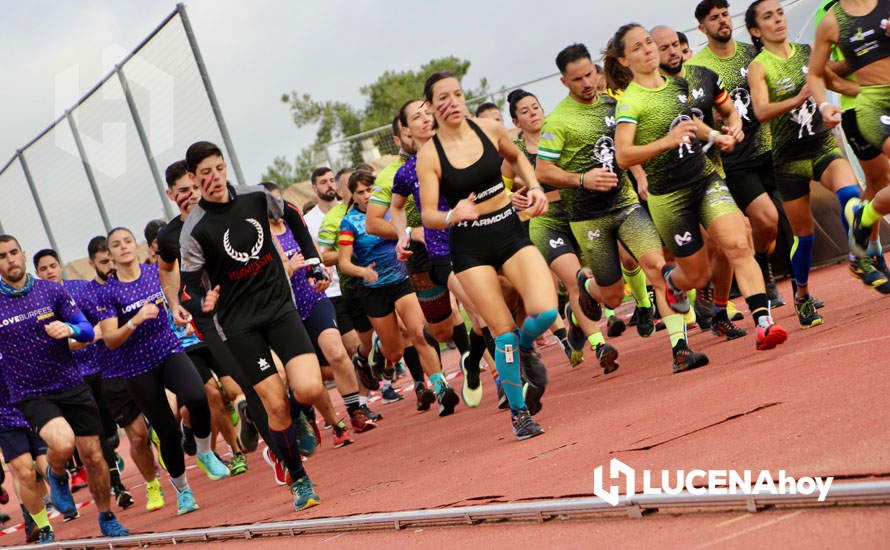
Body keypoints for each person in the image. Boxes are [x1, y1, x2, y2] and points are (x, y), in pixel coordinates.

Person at [607, 23, 788, 351]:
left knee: (737, 244)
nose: (648, 50)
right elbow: (622, 155)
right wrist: (666, 142)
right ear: (623, 60)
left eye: (649, 43)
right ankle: (672, 281)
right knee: (697, 275)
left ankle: (763, 322)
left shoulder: (677, 84)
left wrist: (720, 135)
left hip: (705, 179)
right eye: (638, 47)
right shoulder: (630, 102)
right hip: (669, 197)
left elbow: (693, 124)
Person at [537, 43, 708, 372]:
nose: (586, 83)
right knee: (613, 297)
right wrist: (582, 179)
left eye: (590, 74)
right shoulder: (557, 122)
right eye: (577, 79)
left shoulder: (616, 106)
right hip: (588, 217)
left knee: (657, 268)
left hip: (626, 204)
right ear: (564, 82)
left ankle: (680, 349)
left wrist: (641, 175)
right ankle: (586, 287)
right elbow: (543, 172)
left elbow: (628, 150)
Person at [179, 141, 323, 511]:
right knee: (275, 406)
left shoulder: (256, 197)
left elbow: (293, 216)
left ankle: (298, 416)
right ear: (194, 179)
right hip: (239, 324)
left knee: (307, 390)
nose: (213, 178)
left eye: (218, 168)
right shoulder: (194, 230)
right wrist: (202, 303)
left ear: (225, 167)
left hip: (279, 308)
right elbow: (188, 288)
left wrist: (313, 260)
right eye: (204, 173)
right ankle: (300, 480)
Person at [417, 71, 556, 440]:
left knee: (546, 311)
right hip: (470, 245)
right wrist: (451, 215)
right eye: (441, 99)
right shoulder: (430, 155)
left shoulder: (488, 129)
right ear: (431, 108)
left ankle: (527, 349)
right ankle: (520, 412)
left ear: (464, 98)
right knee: (502, 333)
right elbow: (428, 213)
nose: (451, 103)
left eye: (456, 95)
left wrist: (536, 187)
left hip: (508, 229)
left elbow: (518, 157)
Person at [746, 0, 889, 328]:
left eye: (780, 13)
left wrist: (865, 92)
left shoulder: (805, 51)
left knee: (851, 194)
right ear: (756, 30)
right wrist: (796, 100)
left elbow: (832, 83)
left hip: (823, 147)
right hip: (789, 158)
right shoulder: (760, 66)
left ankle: (863, 257)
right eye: (768, 17)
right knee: (804, 237)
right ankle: (803, 294)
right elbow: (761, 111)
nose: (779, 20)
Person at [0, 234, 129, 538]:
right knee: (62, 442)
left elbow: (85, 330)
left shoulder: (49, 291)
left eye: (14, 252)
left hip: (70, 382)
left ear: (23, 253)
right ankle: (56, 474)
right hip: (31, 391)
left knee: (95, 456)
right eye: (3, 255)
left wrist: (68, 328)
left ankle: (106, 516)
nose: (10, 259)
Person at [98, 227, 231, 515]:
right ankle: (183, 490)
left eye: (127, 242)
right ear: (110, 255)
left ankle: (205, 451)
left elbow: (172, 286)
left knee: (197, 395)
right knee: (166, 431)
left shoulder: (151, 273)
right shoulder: (108, 292)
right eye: (116, 245)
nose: (123, 248)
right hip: (136, 368)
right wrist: (135, 320)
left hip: (168, 350)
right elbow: (110, 339)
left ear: (137, 246)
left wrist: (175, 308)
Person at [652, 24, 753, 340]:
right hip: (674, 185)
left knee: (730, 244)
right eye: (664, 47)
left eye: (675, 45)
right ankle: (688, 286)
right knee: (705, 258)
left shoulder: (703, 76)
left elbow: (728, 110)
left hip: (712, 173)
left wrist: (734, 125)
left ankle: (720, 310)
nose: (673, 52)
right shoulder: (650, 91)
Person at [155, 162, 257, 470]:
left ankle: (247, 416)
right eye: (184, 190)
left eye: (195, 188)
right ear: (172, 194)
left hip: (224, 317)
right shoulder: (169, 235)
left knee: (234, 389)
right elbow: (166, 269)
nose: (192, 195)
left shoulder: (219, 218)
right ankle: (236, 452)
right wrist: (175, 304)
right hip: (191, 330)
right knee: (210, 393)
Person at [690, 0, 788, 309]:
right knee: (765, 219)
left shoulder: (753, 53)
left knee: (776, 226)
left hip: (771, 148)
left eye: (724, 15)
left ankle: (776, 276)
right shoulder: (699, 67)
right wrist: (715, 123)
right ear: (702, 28)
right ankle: (762, 278)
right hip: (735, 160)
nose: (722, 21)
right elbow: (696, 111)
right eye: (714, 18)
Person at [338, 171, 460, 416]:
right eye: (360, 192)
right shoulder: (349, 222)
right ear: (353, 196)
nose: (366, 196)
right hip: (373, 289)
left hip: (401, 280)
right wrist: (363, 271)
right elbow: (343, 263)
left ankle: (440, 388)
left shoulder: (389, 212)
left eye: (370, 189)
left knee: (419, 332)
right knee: (395, 351)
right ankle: (378, 350)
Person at [262, 181, 376, 442]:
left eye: (280, 201)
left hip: (313, 299)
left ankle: (355, 411)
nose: (277, 207)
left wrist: (320, 273)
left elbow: (315, 256)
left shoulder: (293, 225)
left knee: (336, 352)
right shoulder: (262, 238)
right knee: (308, 376)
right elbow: (267, 279)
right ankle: (330, 422)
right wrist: (288, 267)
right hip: (286, 311)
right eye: (271, 202)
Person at [32, 249, 133, 508]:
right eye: (43, 269)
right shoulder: (38, 301)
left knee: (110, 433)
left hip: (99, 368)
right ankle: (117, 486)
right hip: (69, 379)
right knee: (92, 437)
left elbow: (101, 322)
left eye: (53, 265)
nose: (49, 272)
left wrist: (97, 332)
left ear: (60, 265)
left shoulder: (79, 289)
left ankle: (111, 465)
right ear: (37, 273)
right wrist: (76, 340)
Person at [86, 236, 167, 513]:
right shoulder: (88, 294)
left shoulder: (135, 279)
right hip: (113, 374)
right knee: (137, 437)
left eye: (112, 260)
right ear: (92, 263)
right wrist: (87, 333)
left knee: (168, 415)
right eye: (104, 262)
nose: (110, 265)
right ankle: (152, 484)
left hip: (145, 363)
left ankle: (168, 438)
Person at [808, 0, 890, 264]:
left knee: (880, 183)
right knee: (879, 179)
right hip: (867, 105)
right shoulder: (831, 19)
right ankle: (871, 249)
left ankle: (863, 217)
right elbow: (818, 72)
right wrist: (825, 105)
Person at [317, 169, 383, 420]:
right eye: (355, 189)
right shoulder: (333, 218)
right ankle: (362, 403)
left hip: (384, 278)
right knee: (359, 347)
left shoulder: (378, 208)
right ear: (349, 192)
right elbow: (325, 254)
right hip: (347, 289)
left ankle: (388, 369)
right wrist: (351, 252)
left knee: (395, 339)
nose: (332, 186)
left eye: (334, 180)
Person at [0, 375, 54, 542]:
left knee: (47, 467)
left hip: (33, 408)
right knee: (23, 472)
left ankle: (57, 492)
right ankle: (40, 525)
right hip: (5, 419)